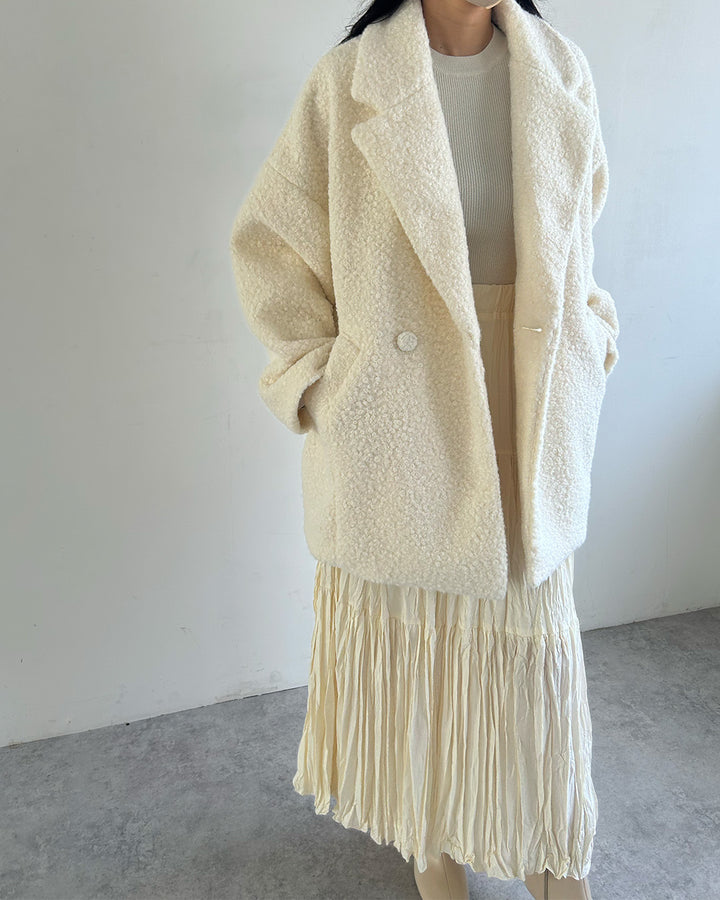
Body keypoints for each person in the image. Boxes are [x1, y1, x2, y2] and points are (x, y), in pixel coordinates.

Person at [229, 0, 619, 897]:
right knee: (416, 629)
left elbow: (581, 232)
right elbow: (271, 244)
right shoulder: (350, 80)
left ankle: (546, 840)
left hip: (528, 388)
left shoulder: (560, 70)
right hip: (401, 403)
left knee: (529, 629)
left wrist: (593, 335)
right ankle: (430, 832)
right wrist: (323, 379)